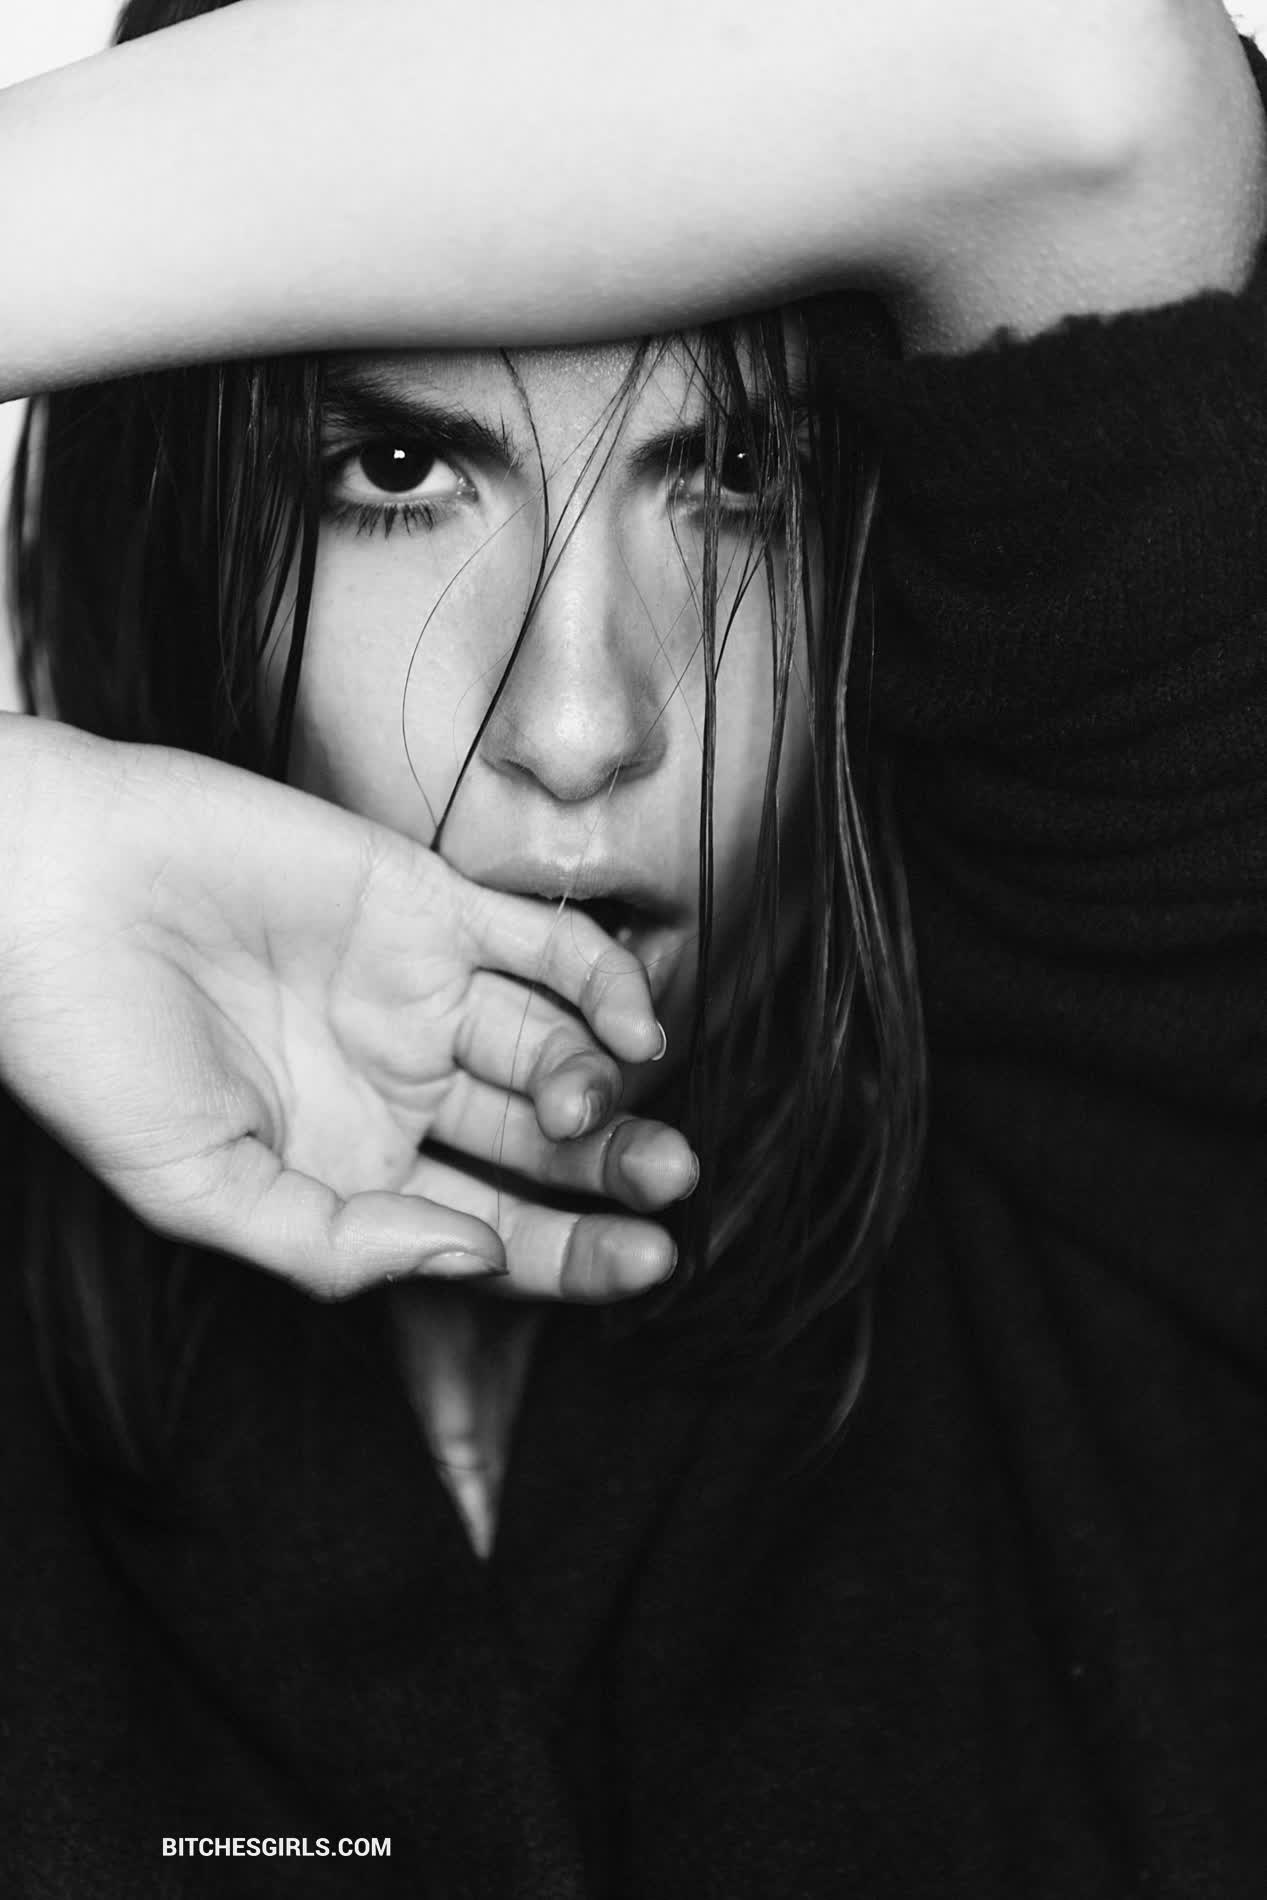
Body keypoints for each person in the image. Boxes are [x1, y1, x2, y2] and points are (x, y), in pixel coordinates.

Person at [1, 0, 1265, 1894]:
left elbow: (1072, 86)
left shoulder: (1149, 1107)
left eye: (740, 473)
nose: (581, 723)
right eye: (397, 471)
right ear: (169, 527)